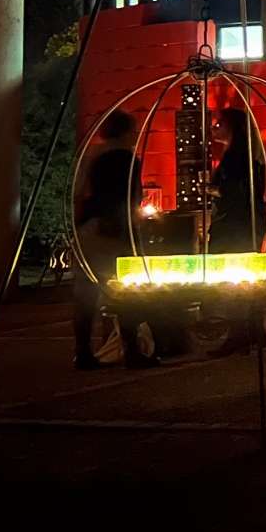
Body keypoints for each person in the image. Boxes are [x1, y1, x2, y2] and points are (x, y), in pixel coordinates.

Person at [72, 110, 151, 369]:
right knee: (125, 289)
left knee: (87, 292)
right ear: (126, 132)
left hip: (89, 228)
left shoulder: (92, 154)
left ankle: (83, 352)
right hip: (114, 231)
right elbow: (130, 198)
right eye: (134, 130)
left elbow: (79, 191)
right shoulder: (127, 159)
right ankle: (131, 350)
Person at [205, 105, 266, 359]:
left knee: (232, 279)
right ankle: (253, 329)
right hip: (249, 222)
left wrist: (211, 190)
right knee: (247, 278)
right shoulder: (250, 154)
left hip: (234, 225)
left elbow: (232, 193)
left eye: (218, 124)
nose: (214, 128)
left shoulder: (235, 158)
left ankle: (239, 333)